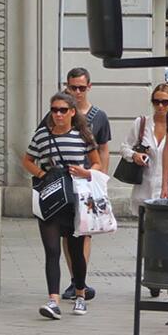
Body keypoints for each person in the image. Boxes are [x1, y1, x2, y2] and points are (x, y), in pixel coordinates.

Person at [21, 92, 102, 319]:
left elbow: (97, 162)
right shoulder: (42, 136)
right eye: (54, 110)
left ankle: (79, 295)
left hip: (75, 200)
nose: (58, 114)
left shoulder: (82, 136)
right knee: (52, 251)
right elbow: (27, 159)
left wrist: (86, 172)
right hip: (49, 198)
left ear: (72, 112)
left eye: (63, 110)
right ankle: (53, 300)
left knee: (76, 252)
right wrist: (41, 173)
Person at [59, 68, 111, 300]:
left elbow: (104, 149)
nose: (77, 92)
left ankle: (80, 281)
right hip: (63, 181)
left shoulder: (99, 116)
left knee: (85, 231)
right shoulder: (59, 112)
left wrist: (100, 180)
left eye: (81, 87)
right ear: (67, 86)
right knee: (66, 232)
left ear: (89, 87)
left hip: (87, 179)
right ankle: (73, 280)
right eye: (73, 87)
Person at [121, 83, 168, 210]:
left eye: (165, 102)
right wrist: (134, 155)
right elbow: (125, 147)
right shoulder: (141, 123)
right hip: (144, 188)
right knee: (143, 227)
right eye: (156, 102)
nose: (160, 106)